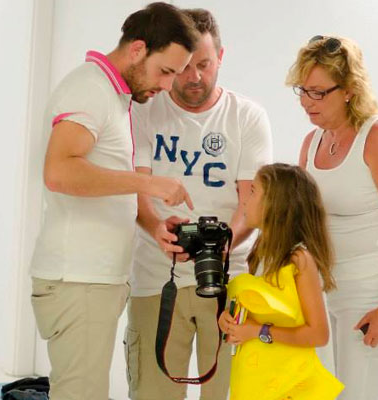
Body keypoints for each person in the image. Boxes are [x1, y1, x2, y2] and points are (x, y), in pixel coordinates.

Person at [29, 4, 199, 400]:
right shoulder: (90, 89)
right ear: (138, 49)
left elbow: (107, 183)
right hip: (79, 280)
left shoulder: (114, 96)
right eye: (167, 71)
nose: (169, 84)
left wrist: (153, 224)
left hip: (94, 281)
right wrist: (153, 186)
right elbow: (59, 172)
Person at [126, 8, 273, 400]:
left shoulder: (246, 117)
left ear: (221, 58)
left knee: (229, 393)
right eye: (185, 67)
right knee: (153, 392)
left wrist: (225, 242)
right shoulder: (143, 110)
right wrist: (156, 227)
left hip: (229, 281)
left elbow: (251, 201)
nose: (194, 77)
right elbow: (137, 189)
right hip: (156, 278)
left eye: (205, 65)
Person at [287, 35, 378, 400]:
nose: (306, 102)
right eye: (302, 90)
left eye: (318, 93)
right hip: (324, 292)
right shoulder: (311, 142)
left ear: (348, 89)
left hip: (370, 295)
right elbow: (303, 225)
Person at [218, 163, 344, 400]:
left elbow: (318, 334)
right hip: (267, 377)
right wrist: (231, 321)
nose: (245, 199)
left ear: (275, 205)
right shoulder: (261, 253)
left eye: (253, 192)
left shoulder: (299, 260)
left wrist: (257, 331)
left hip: (295, 385)